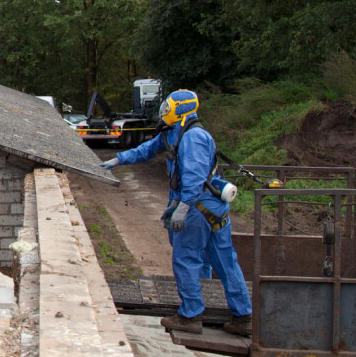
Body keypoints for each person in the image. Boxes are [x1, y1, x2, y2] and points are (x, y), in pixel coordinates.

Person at [100, 89, 252, 336]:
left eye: (167, 109)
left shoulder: (194, 138)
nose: (163, 113)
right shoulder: (174, 132)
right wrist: (119, 159)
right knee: (225, 261)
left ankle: (191, 316)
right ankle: (243, 317)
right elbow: (148, 149)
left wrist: (181, 209)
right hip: (208, 206)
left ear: (179, 110)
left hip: (198, 206)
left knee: (186, 258)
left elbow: (193, 179)